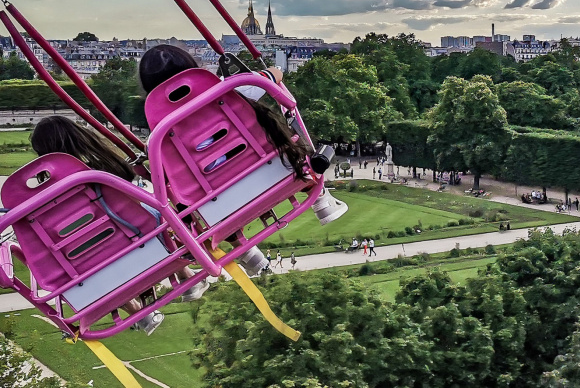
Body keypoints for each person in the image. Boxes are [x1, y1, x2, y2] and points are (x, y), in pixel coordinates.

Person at [138, 45, 347, 274]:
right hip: (272, 169)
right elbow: (276, 76)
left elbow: (166, 180)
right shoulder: (232, 90)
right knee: (285, 127)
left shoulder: (157, 139)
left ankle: (247, 252)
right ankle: (321, 201)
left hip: (217, 201)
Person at [30, 116, 211, 336]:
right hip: (131, 242)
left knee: (79, 262)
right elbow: (134, 194)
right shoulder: (98, 170)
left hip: (85, 262)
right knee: (151, 210)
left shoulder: (39, 197)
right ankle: (185, 275)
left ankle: (137, 311)